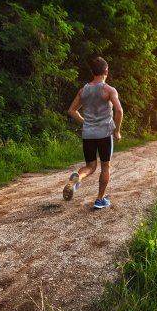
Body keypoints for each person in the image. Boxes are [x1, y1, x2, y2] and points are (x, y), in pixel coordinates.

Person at [63, 57, 123, 208]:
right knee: (105, 166)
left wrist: (86, 123)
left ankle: (77, 178)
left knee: (90, 166)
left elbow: (71, 110)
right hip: (104, 134)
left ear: (93, 72)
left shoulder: (83, 90)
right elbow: (119, 110)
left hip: (88, 134)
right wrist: (117, 131)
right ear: (106, 71)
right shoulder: (109, 90)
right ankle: (100, 199)